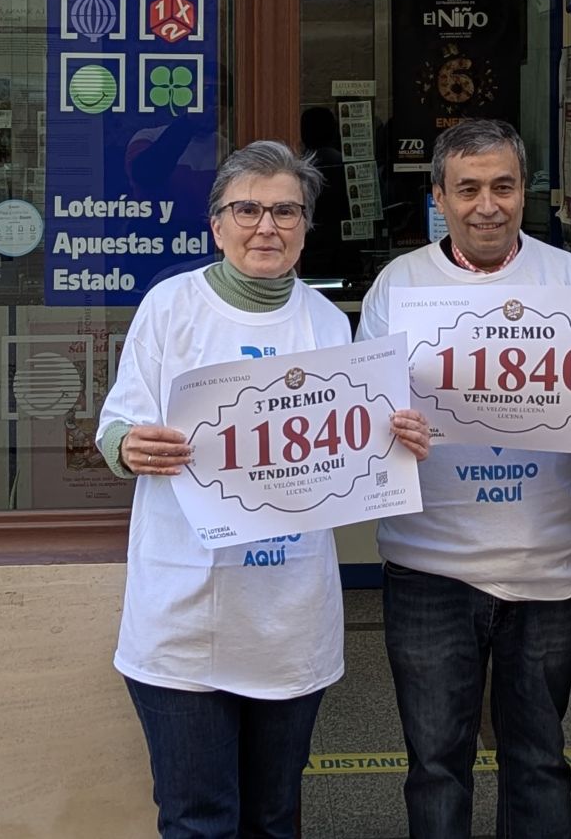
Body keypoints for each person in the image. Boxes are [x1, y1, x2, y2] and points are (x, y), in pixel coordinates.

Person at [97, 139, 432, 839]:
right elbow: (116, 425)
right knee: (198, 820)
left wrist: (396, 442)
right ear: (216, 224)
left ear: (308, 226)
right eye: (246, 209)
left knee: (275, 818)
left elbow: (352, 449)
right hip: (185, 614)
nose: (266, 226)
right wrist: (128, 445)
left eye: (286, 210)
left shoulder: (325, 321)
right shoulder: (170, 308)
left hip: (288, 616)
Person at [356, 118, 571, 839]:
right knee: (434, 763)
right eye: (467, 189)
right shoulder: (399, 286)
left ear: (525, 192)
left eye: (502, 186)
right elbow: (363, 419)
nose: (486, 205)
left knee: (539, 760)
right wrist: (387, 428)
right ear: (439, 196)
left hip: (547, 565)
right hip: (429, 563)